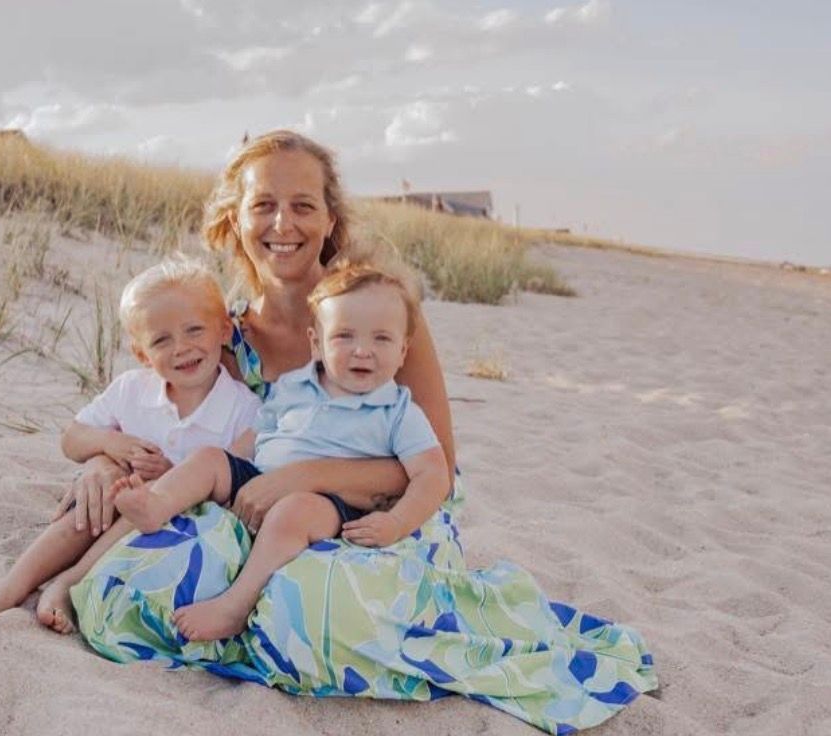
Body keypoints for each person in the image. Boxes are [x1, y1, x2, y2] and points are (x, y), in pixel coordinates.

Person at [68, 131, 656, 735]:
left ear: (330, 218)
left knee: (312, 603)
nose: (282, 223)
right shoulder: (224, 334)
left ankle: (264, 616)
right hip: (253, 510)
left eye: (303, 205)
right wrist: (105, 460)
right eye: (263, 204)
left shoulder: (380, 319)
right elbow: (179, 426)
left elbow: (435, 468)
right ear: (234, 218)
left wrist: (304, 476)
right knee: (130, 586)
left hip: (389, 516)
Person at [108, 265, 448, 641]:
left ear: (403, 350)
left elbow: (433, 474)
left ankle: (234, 606)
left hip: (330, 504)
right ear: (316, 343)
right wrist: (225, 471)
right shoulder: (294, 386)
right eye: (344, 336)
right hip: (263, 477)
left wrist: (397, 522)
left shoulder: (397, 410)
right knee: (208, 458)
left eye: (381, 339)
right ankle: (157, 505)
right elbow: (255, 436)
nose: (362, 350)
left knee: (293, 511)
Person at [0, 258, 260, 632]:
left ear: (224, 330)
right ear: (143, 353)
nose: (181, 348)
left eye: (195, 330)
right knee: (83, 513)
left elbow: (232, 483)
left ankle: (70, 582)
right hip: (110, 503)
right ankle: (8, 589)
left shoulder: (243, 408)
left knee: (133, 505)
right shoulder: (132, 389)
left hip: (177, 525)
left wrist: (171, 477)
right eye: (162, 340)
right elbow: (73, 438)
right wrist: (115, 445)